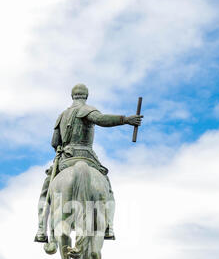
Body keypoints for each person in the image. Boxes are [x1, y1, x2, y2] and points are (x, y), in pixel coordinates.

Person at [34, 83, 143, 243]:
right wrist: (125, 120)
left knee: (46, 191)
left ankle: (41, 229)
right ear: (86, 96)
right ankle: (109, 227)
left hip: (65, 160)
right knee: (107, 187)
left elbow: (54, 142)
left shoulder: (61, 116)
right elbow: (101, 119)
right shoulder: (87, 110)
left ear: (73, 96)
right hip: (87, 157)